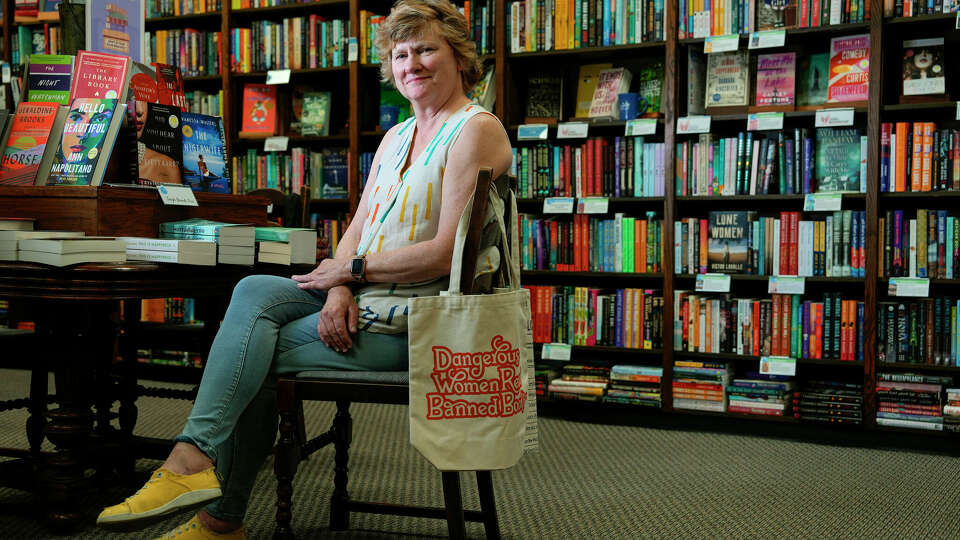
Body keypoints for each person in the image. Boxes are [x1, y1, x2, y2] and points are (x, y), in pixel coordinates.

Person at [96, 0, 513, 538]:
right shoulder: (395, 138)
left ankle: (214, 508)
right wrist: (340, 284)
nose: (413, 63)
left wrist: (349, 274)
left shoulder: (476, 130)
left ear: (458, 56)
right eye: (402, 53)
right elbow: (358, 230)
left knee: (258, 355)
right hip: (369, 294)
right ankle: (194, 466)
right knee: (253, 291)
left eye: (427, 49)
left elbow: (442, 253)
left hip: (425, 319)